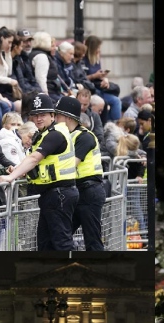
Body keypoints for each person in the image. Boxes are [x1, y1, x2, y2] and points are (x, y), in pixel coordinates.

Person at [0, 93, 79, 250]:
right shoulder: (46, 134)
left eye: (42, 115)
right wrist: (17, 169)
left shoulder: (55, 134)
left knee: (61, 244)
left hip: (59, 194)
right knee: (45, 243)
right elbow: (35, 161)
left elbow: (35, 158)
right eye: (35, 115)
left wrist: (11, 177)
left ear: (52, 115)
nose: (38, 119)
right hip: (53, 195)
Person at [55, 96, 105, 250]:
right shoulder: (68, 136)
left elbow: (70, 164)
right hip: (76, 192)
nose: (55, 119)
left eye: (57, 116)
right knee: (60, 236)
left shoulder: (85, 137)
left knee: (92, 240)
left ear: (67, 117)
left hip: (89, 192)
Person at [83, 35, 121, 122]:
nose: (99, 50)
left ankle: (114, 123)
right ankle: (110, 123)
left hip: (99, 86)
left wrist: (104, 79)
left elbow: (99, 74)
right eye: (98, 48)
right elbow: (82, 78)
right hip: (92, 89)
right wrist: (94, 76)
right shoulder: (84, 60)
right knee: (110, 102)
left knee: (116, 100)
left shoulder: (97, 59)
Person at [0, 27, 21, 103]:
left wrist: (8, 54)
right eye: (9, 42)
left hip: (4, 88)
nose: (10, 45)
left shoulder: (0, 53)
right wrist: (10, 81)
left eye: (11, 43)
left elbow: (9, 72)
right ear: (2, 39)